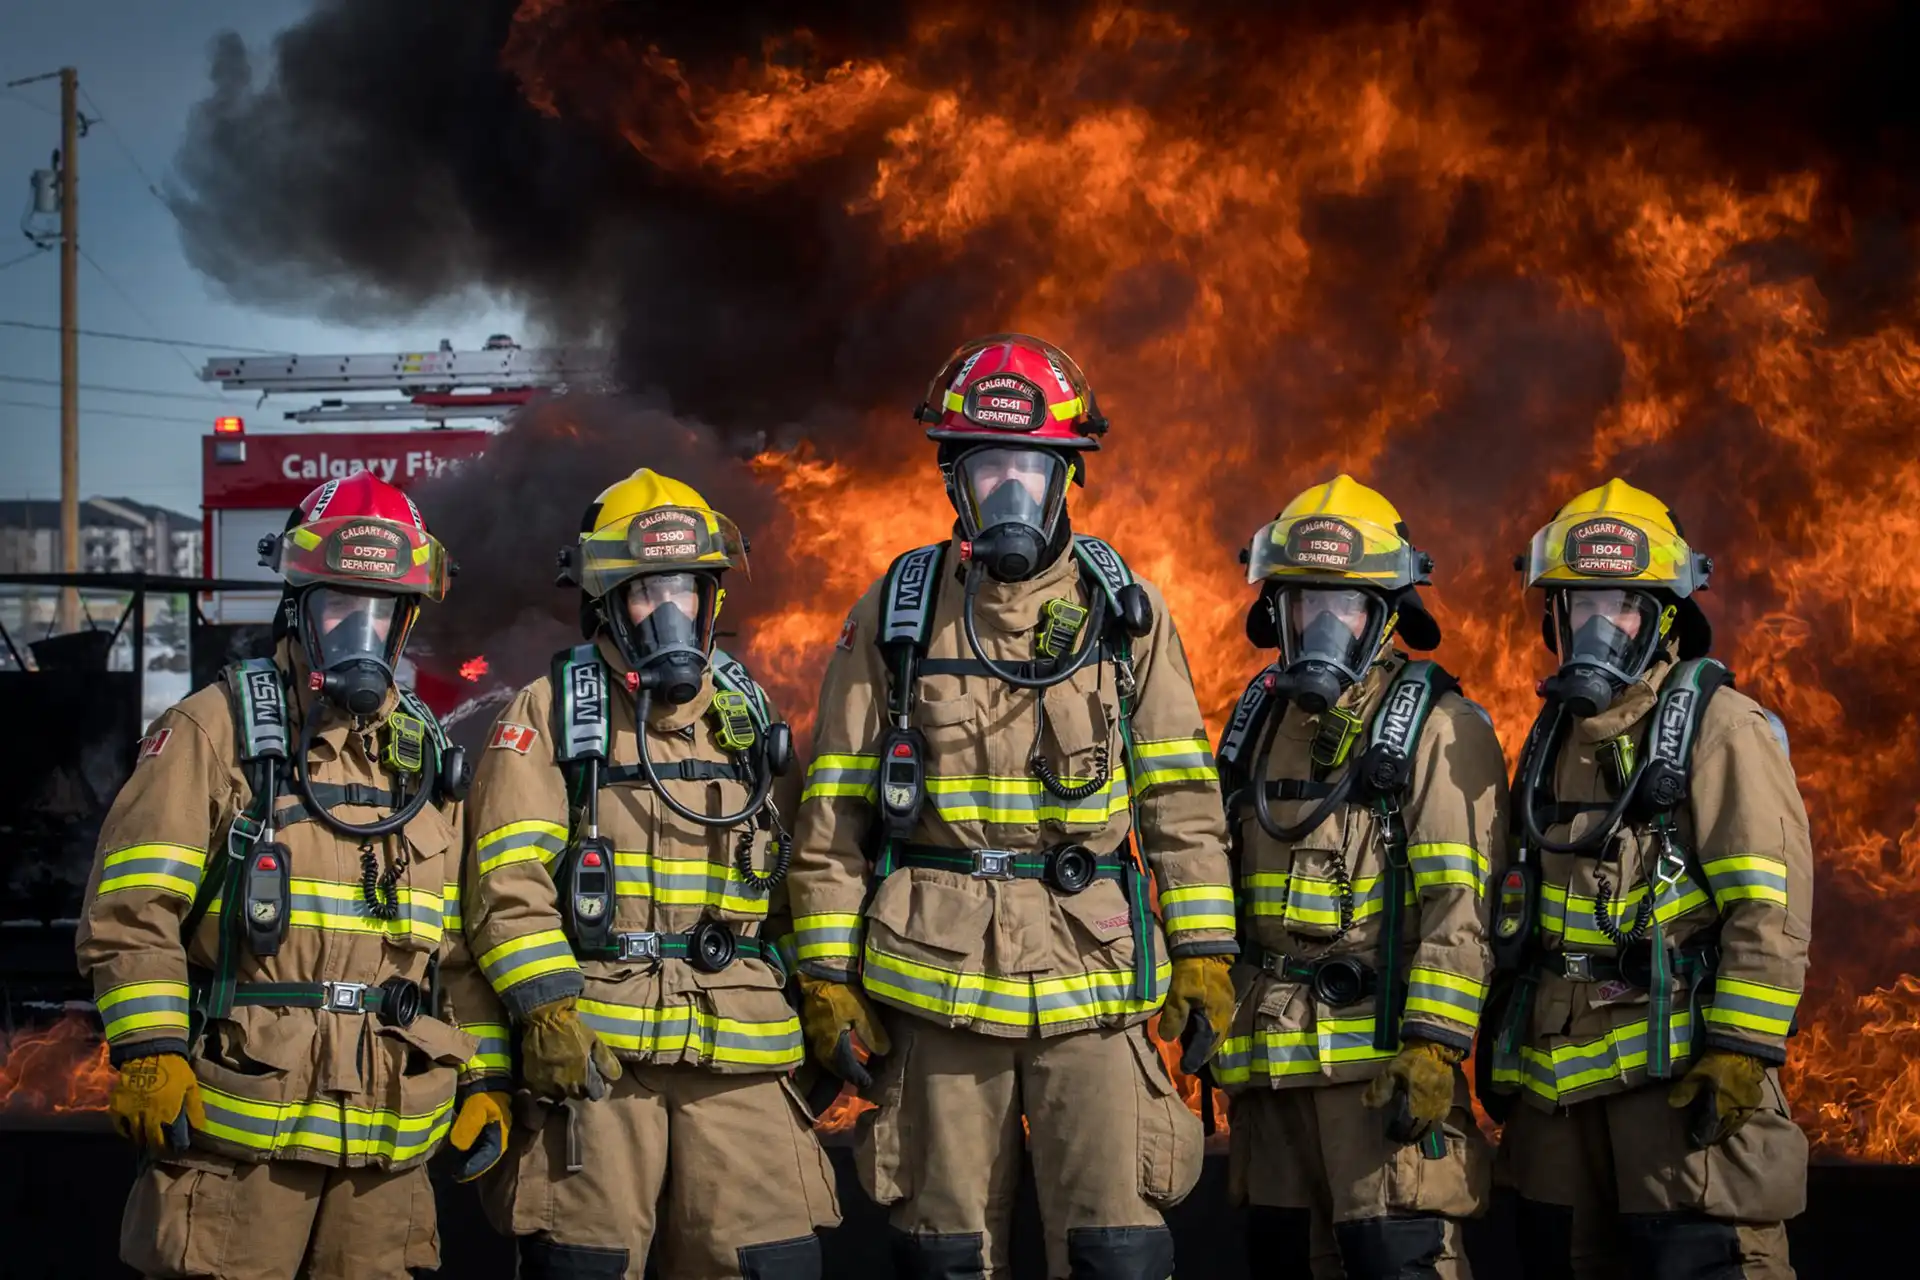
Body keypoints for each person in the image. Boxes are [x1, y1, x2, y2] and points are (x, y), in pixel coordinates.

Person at [788, 334, 1239, 1279]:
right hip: (936, 990)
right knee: (944, 1256)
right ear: (955, 476)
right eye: (989, 467)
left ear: (1066, 475)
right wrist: (829, 978)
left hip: (1096, 983)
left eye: (1031, 467)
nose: (1010, 492)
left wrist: (1202, 956)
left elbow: (1182, 804)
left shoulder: (1129, 616)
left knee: (1115, 1252)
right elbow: (832, 824)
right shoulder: (895, 615)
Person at [78, 471, 509, 1279]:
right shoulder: (213, 731)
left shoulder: (422, 761)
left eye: (383, 613)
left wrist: (484, 1074)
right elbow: (131, 911)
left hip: (385, 1157)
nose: (362, 631)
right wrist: (150, 1047)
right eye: (341, 606)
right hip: (242, 1149)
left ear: (406, 620)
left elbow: (454, 950)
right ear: (298, 604)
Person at [464, 468, 837, 1279]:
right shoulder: (548, 713)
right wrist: (547, 1011)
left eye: (686, 589)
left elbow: (797, 876)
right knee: (588, 1265)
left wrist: (824, 987)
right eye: (644, 592)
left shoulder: (750, 719)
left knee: (764, 1264)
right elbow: (505, 885)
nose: (669, 612)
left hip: (738, 1057)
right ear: (605, 601)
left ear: (712, 601)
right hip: (602, 1061)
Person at [1481, 478, 1811, 1279]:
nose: (1598, 627)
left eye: (1621, 606)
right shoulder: (1551, 738)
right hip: (1556, 1087)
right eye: (1579, 607)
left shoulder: (1723, 729)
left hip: (1675, 1081)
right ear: (1553, 618)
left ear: (1664, 618)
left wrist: (1739, 1051)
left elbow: (1767, 912)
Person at [1213, 476, 1509, 1279]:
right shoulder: (1255, 726)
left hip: (1378, 1078)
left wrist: (1435, 1048)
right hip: (1270, 1074)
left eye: (1346, 606)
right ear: (1276, 612)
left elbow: (1462, 908)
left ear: (1385, 618)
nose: (1322, 626)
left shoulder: (1441, 730)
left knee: (1396, 1259)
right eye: (1305, 604)